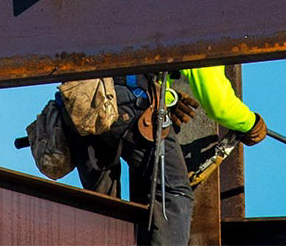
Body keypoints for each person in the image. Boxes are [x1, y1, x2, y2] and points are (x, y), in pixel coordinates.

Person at [73, 66, 266, 246]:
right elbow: (219, 104)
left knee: (103, 203)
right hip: (123, 103)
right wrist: (251, 123)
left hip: (79, 103)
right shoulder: (203, 31)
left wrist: (167, 98)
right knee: (174, 194)